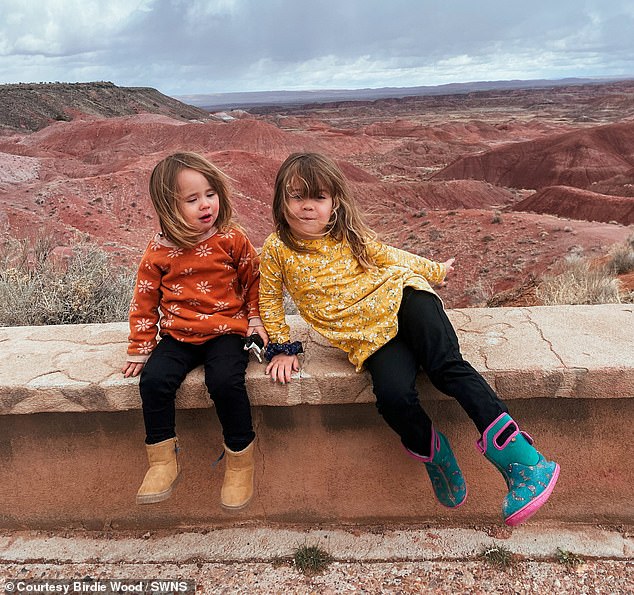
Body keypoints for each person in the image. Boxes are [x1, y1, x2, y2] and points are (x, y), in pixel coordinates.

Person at [258, 152, 559, 526]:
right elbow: (269, 299)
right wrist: (282, 347)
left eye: (318, 197)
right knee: (393, 395)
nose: (307, 207)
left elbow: (389, 258)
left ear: (334, 203)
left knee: (446, 368)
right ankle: (435, 453)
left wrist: (435, 270)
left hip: (404, 299)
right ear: (281, 201)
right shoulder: (276, 250)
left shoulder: (348, 234)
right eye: (296, 196)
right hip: (368, 337)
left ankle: (526, 464)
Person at [122, 152, 267, 510]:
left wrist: (256, 320)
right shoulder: (158, 251)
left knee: (225, 382)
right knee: (154, 382)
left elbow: (254, 282)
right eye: (192, 199)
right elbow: (144, 301)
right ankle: (162, 461)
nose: (206, 205)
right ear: (169, 207)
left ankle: (239, 460)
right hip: (178, 336)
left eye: (210, 194)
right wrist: (141, 347)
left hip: (226, 332)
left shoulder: (231, 239)